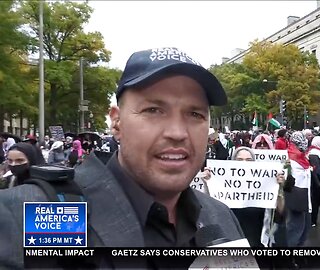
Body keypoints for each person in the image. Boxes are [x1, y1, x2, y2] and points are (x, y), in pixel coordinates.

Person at [0, 47, 244, 268]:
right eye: (154, 110)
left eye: (194, 114)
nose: (177, 133)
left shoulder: (221, 217)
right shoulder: (35, 213)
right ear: (116, 122)